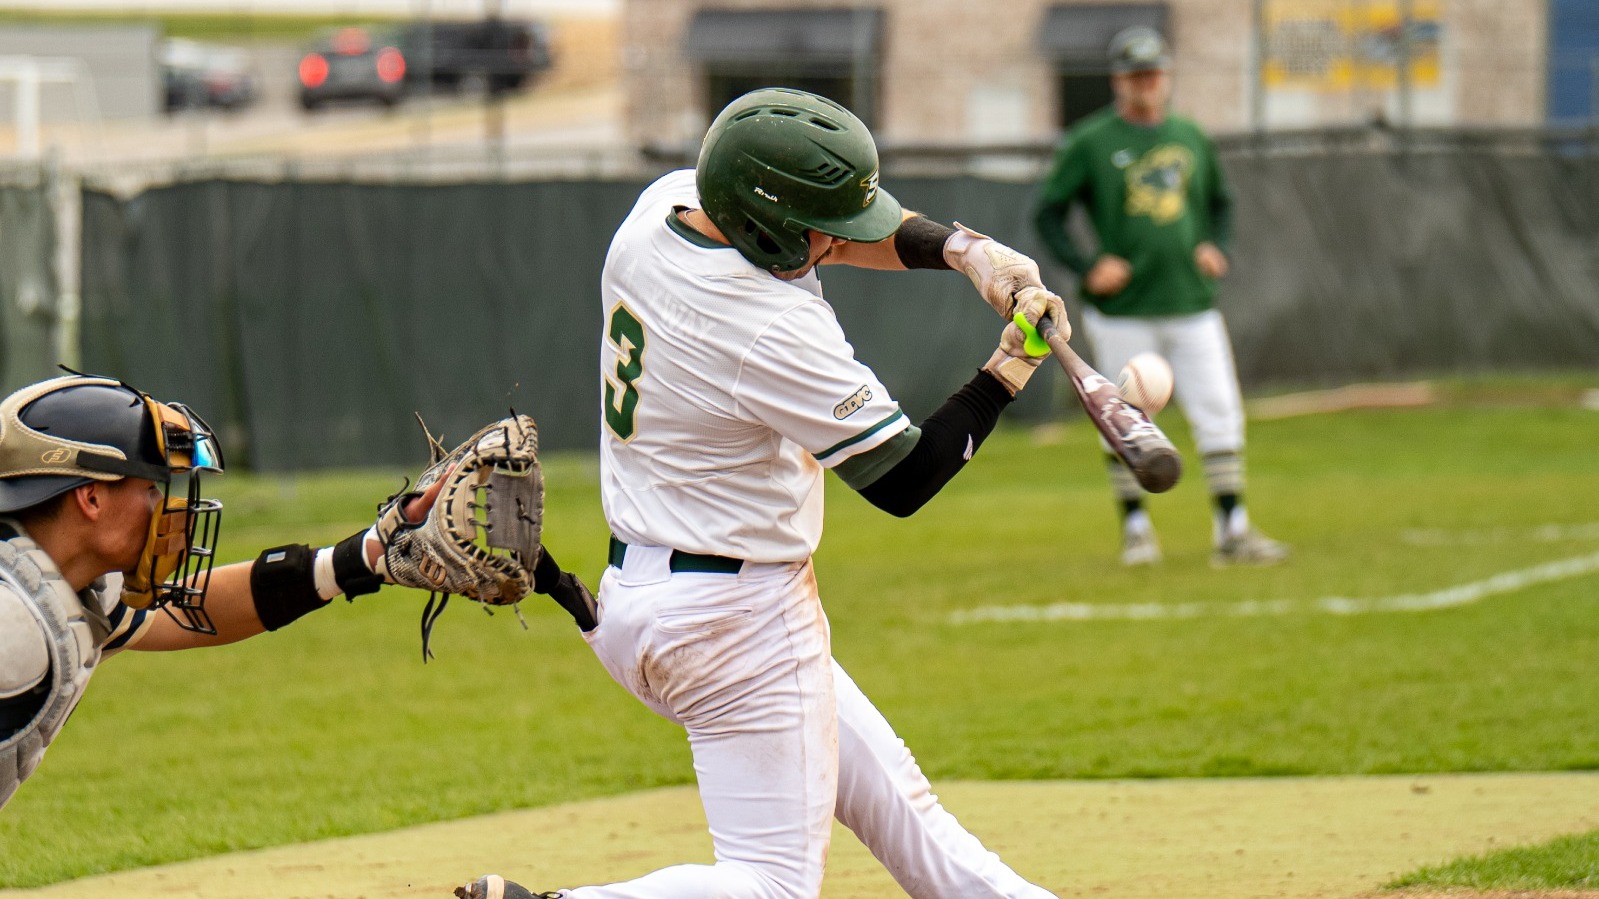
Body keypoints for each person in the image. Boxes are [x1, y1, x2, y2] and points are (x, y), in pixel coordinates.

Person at [456, 88, 1063, 899]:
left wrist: (962, 250)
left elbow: (838, 236)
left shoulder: (662, 208)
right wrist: (1008, 370)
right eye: (820, 227)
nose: (841, 240)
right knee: (770, 883)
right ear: (769, 230)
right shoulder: (767, 326)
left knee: (907, 815)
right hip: (737, 624)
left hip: (647, 597)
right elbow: (906, 480)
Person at [0, 374, 585, 810]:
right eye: (152, 485)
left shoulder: (72, 587)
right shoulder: (14, 622)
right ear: (91, 497)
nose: (167, 505)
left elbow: (189, 610)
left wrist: (363, 559)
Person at [1032, 25, 1289, 567]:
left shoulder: (1191, 137)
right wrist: (1086, 265)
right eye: (1134, 74)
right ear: (1118, 80)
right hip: (1124, 309)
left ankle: (1232, 528)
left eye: (1153, 73)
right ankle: (1136, 530)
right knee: (1124, 417)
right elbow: (1048, 213)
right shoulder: (1091, 141)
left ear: (1166, 77)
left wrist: (1218, 246)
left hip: (1192, 301)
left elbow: (1222, 202)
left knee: (1219, 408)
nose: (1145, 84)